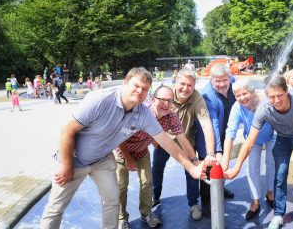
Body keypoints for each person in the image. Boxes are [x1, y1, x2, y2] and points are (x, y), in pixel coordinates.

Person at [40, 67, 206, 229]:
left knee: (112, 199)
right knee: (56, 207)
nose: (140, 92)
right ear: (125, 82)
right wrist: (66, 165)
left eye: (145, 89)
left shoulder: (143, 113)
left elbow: (166, 141)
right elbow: (67, 131)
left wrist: (191, 166)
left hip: (102, 159)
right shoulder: (100, 100)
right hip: (75, 157)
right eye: (136, 86)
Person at [225, 75, 293, 229]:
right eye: (272, 96)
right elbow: (250, 141)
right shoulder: (264, 109)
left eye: (280, 95)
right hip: (283, 138)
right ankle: (278, 214)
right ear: (266, 95)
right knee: (280, 175)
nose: (276, 100)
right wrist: (236, 167)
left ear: (287, 91)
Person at [114, 85, 198, 229]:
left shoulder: (171, 116)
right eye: (162, 100)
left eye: (170, 101)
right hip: (122, 151)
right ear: (153, 100)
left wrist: (194, 162)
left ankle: (146, 213)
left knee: (147, 182)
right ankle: (122, 218)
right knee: (121, 185)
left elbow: (182, 139)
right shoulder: (138, 113)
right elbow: (119, 137)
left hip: (141, 151)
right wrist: (128, 158)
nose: (166, 104)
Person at [152, 69, 216, 221]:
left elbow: (207, 125)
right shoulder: (165, 96)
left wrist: (211, 153)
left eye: (190, 85)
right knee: (157, 168)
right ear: (175, 82)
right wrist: (155, 141)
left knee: (192, 173)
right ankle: (155, 195)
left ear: (194, 86)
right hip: (165, 141)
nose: (186, 88)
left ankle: (193, 203)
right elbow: (150, 118)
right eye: (182, 84)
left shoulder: (196, 98)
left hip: (186, 141)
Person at [221, 79, 275, 220]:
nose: (242, 98)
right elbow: (230, 134)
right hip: (253, 140)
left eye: (245, 93)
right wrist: (225, 160)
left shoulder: (265, 102)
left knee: (271, 165)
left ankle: (270, 193)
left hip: (272, 136)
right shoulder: (237, 107)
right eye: (238, 95)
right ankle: (255, 201)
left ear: (252, 91)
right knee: (252, 169)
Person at [195, 63, 236, 217]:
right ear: (211, 80)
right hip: (209, 136)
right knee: (208, 166)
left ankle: (220, 187)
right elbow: (213, 123)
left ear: (229, 77)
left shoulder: (233, 86)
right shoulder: (207, 95)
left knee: (223, 163)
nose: (221, 84)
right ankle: (206, 202)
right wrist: (217, 150)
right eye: (217, 81)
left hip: (226, 132)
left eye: (224, 80)